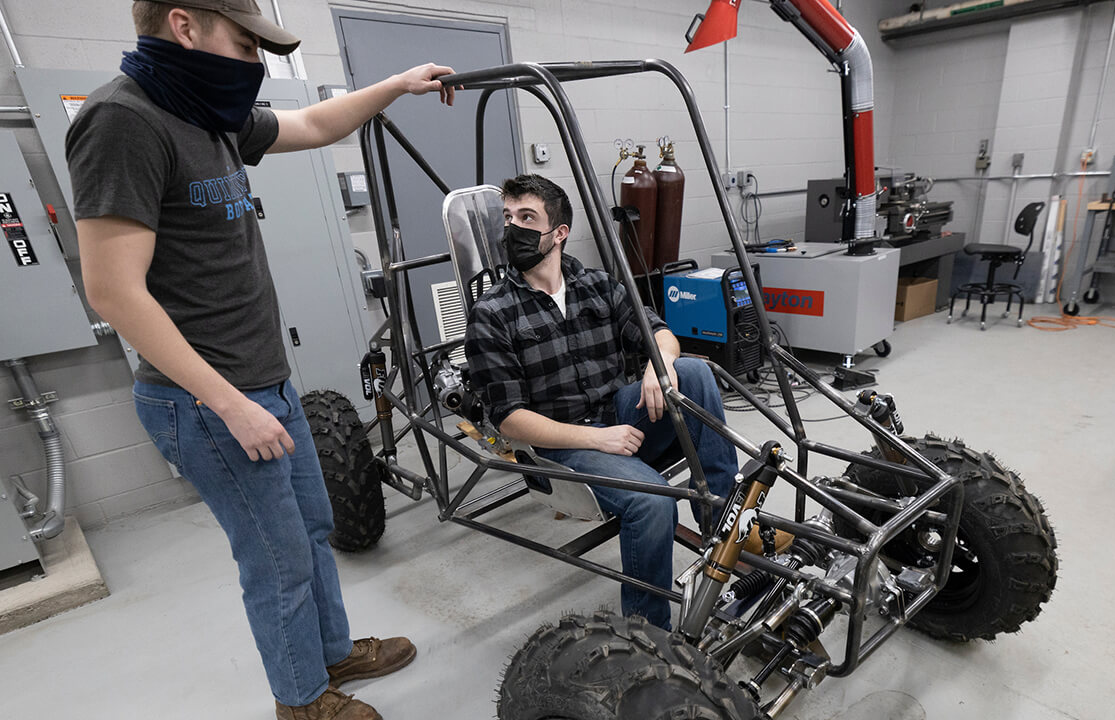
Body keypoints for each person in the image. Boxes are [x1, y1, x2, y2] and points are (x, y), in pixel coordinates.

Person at [67, 3, 458, 718]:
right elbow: (112, 290)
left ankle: (332, 652)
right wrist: (230, 403)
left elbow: (311, 125)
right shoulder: (124, 119)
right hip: (208, 400)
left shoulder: (205, 106)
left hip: (262, 379)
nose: (254, 60)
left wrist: (397, 84)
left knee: (310, 527)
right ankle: (301, 700)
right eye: (246, 42)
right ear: (184, 26)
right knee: (275, 560)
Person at [463, 174, 740, 631]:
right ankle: (647, 631)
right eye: (508, 218)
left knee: (694, 372)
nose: (513, 228)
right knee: (653, 502)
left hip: (619, 416)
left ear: (559, 232)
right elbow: (509, 420)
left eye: (527, 217)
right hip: (561, 443)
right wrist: (597, 438)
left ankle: (723, 524)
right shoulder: (493, 313)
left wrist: (660, 364)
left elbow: (659, 332)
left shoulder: (598, 284)